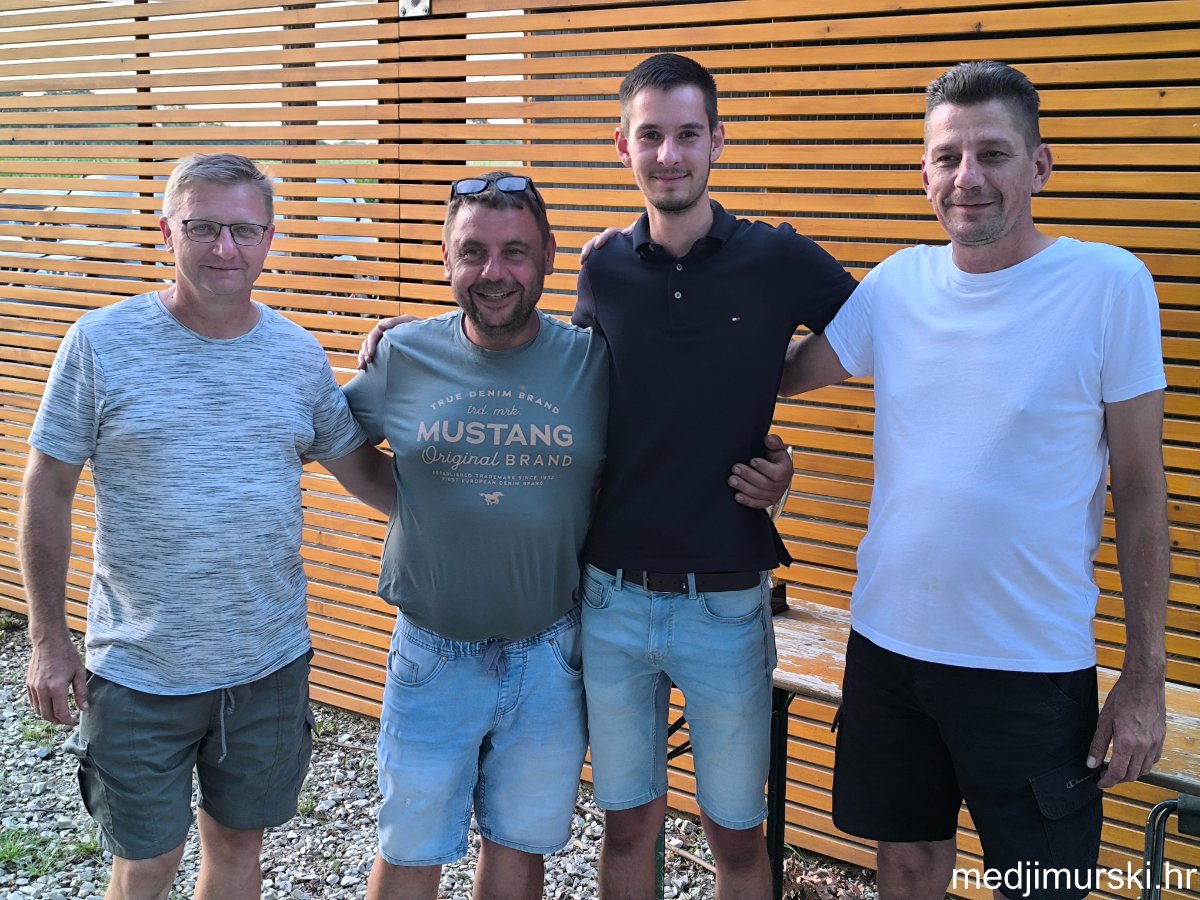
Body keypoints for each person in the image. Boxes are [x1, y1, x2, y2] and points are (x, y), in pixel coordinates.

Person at [779, 61, 1168, 899]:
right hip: (891, 647)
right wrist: (663, 292)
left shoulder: (1108, 285)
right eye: (947, 156)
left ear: (1040, 165)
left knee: (1040, 885)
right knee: (906, 864)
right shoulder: (897, 285)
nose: (968, 178)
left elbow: (1141, 491)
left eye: (992, 153)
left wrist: (1143, 680)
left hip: (1028, 665)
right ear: (924, 171)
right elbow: (778, 375)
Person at [19, 153, 392, 900]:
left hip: (266, 665)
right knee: (147, 863)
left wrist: (433, 353)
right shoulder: (101, 344)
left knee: (237, 850)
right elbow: (47, 485)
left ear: (269, 238)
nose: (225, 248)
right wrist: (48, 640)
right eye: (203, 228)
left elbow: (368, 473)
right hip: (140, 668)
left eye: (244, 230)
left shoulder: (295, 356)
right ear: (168, 232)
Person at [572, 53, 857, 898]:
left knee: (736, 836)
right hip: (612, 597)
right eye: (650, 136)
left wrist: (775, 390)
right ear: (622, 145)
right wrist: (416, 339)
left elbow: (870, 330)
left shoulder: (776, 258)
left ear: (717, 141)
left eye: (687, 135)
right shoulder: (602, 266)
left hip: (725, 604)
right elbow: (570, 384)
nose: (669, 155)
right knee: (628, 827)